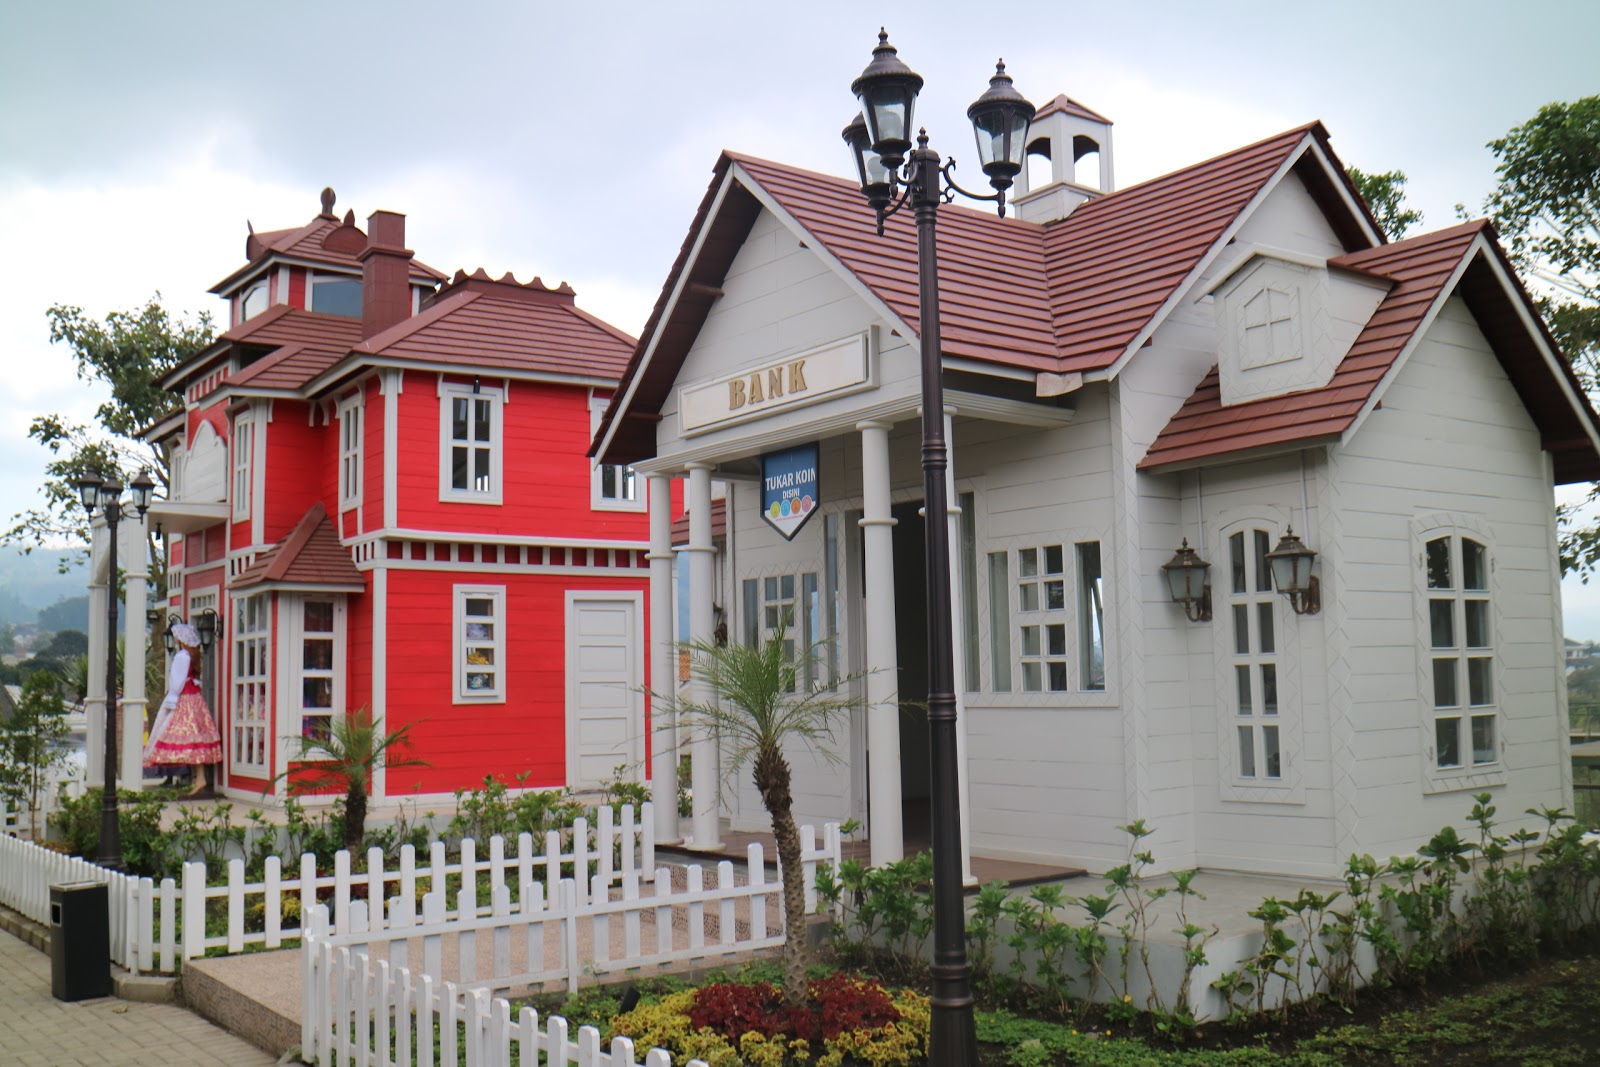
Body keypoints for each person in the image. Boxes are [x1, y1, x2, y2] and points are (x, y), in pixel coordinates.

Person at [144, 622, 222, 798]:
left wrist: (172, 697)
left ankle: (198, 778)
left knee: (175, 734)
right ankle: (199, 777)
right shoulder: (193, 655)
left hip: (184, 698)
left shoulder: (182, 656)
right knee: (196, 738)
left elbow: (177, 682)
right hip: (195, 698)